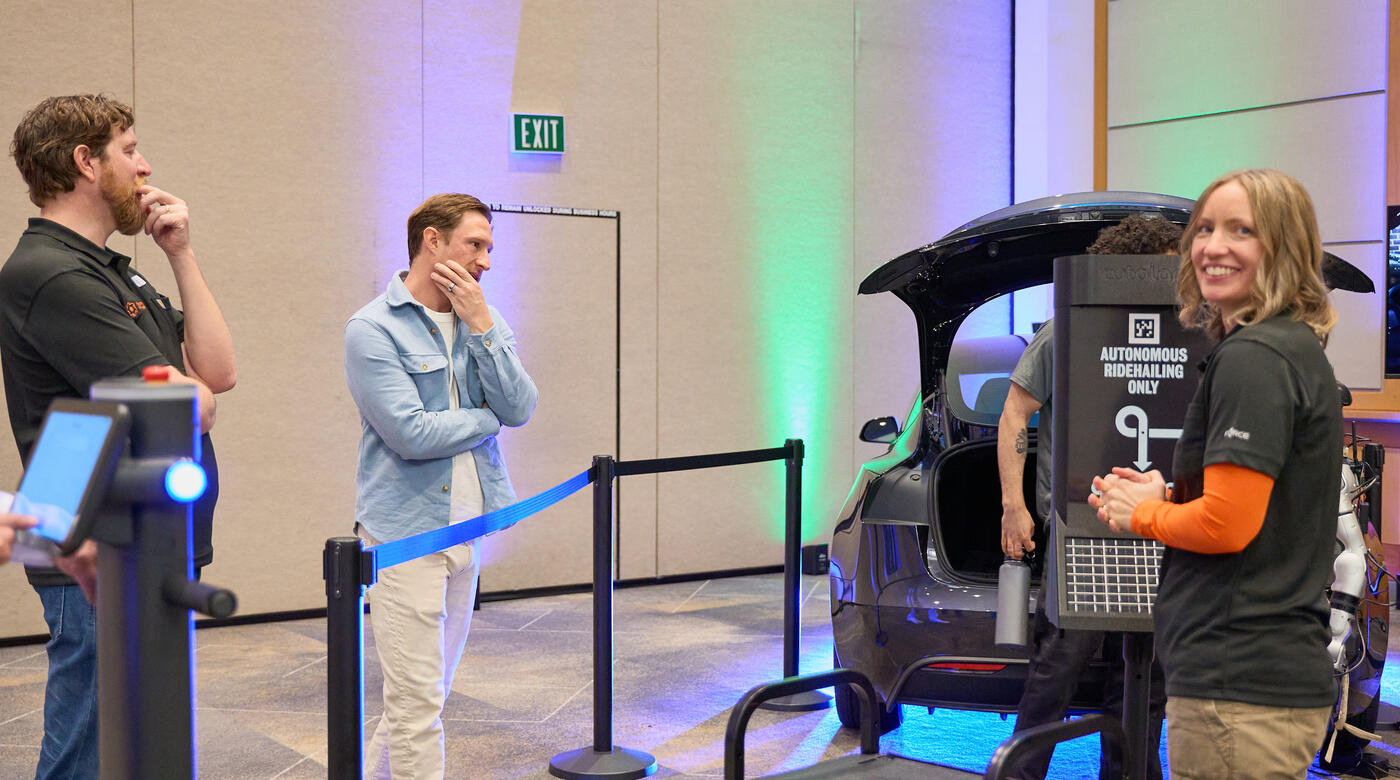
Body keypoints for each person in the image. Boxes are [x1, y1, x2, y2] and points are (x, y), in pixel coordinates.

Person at [1, 93, 236, 778]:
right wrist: (189, 392)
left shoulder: (112, 268)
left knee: (142, 745)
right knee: (88, 752)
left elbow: (216, 373)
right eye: (129, 149)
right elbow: (188, 407)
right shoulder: (50, 275)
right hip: (98, 551)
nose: (146, 165)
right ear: (84, 161)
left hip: (149, 542)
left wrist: (181, 254)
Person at [1090, 169, 1341, 779]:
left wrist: (1141, 514)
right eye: (1203, 228)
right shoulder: (1289, 346)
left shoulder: (1254, 359)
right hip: (1261, 682)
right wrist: (1172, 494)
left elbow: (1228, 526)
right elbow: (1259, 504)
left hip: (1238, 688)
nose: (1212, 246)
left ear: (1282, 248)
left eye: (1241, 231)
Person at [345, 193, 538, 779]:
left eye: (488, 248)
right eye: (474, 245)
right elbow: (409, 434)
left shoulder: (481, 314)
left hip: (469, 530)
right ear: (432, 241)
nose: (485, 260)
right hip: (405, 537)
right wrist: (486, 420)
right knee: (416, 707)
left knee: (426, 697)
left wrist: (482, 327)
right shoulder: (372, 328)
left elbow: (521, 405)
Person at [997, 214, 1182, 780]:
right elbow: (1014, 416)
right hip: (1079, 524)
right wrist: (1015, 506)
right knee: (1058, 666)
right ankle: (1019, 773)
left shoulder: (1184, 330)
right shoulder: (1068, 331)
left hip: (1154, 524)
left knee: (1146, 677)